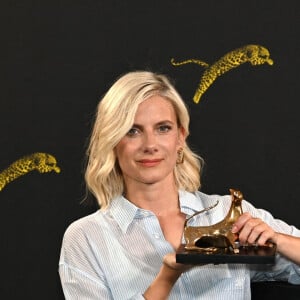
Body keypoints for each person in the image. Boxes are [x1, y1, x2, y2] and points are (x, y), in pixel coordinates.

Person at [59, 71, 300, 299]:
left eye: (163, 128)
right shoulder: (86, 238)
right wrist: (166, 278)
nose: (150, 144)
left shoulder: (227, 213)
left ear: (180, 138)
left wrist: (277, 240)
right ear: (112, 142)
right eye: (132, 131)